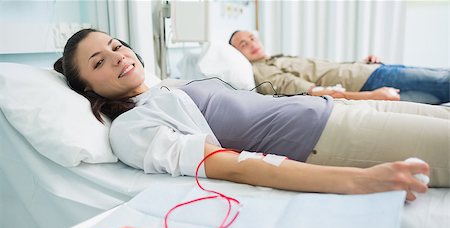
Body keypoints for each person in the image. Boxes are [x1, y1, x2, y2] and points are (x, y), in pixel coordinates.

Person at [54, 29, 450, 202]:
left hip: (341, 109)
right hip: (328, 138)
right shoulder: (130, 128)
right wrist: (358, 182)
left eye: (116, 46)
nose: (119, 57)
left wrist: (358, 99)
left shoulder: (167, 86)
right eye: (99, 61)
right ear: (88, 88)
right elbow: (236, 167)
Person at [229, 30, 450, 104]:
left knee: (441, 86)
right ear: (236, 53)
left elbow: (325, 70)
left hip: (368, 71)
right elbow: (311, 91)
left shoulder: (275, 58)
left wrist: (360, 63)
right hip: (370, 80)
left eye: (251, 38)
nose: (251, 44)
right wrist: (371, 96)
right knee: (442, 82)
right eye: (243, 44)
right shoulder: (260, 70)